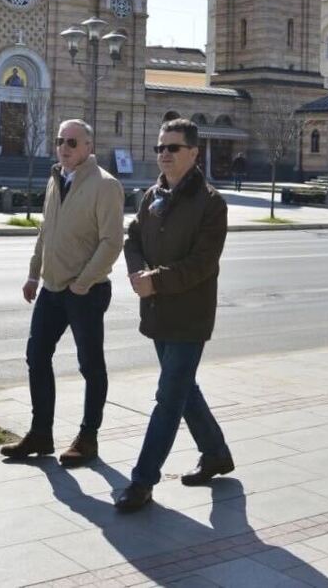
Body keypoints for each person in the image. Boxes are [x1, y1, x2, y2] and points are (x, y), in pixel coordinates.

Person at [115, 117, 234, 512]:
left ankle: (142, 481)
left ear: (194, 153)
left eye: (172, 148)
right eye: (159, 148)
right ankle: (216, 453)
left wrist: (157, 280)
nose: (163, 154)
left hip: (189, 316)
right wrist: (137, 273)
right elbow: (133, 238)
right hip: (156, 311)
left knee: (168, 397)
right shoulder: (152, 195)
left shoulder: (211, 203)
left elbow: (203, 263)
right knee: (183, 389)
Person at [1, 119, 124, 467]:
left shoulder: (105, 185)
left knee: (91, 365)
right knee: (37, 356)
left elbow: (112, 242)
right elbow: (46, 231)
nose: (64, 148)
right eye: (60, 141)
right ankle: (41, 433)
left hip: (87, 290)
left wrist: (83, 282)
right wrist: (33, 274)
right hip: (52, 288)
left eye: (72, 142)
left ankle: (88, 438)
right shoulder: (56, 179)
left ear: (88, 146)